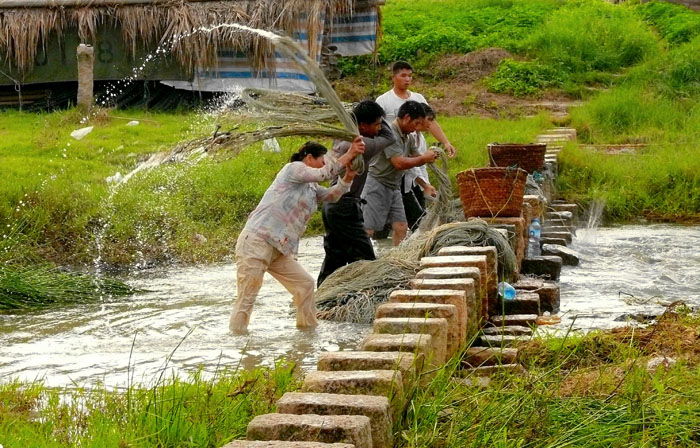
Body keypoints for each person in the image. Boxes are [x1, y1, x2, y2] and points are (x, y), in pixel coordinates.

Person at [230, 138, 365, 334]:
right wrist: (350, 154)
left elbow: (332, 195)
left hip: (279, 248)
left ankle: (307, 332)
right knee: (247, 297)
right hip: (257, 240)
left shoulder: (310, 187)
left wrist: (349, 176)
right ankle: (238, 340)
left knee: (305, 284)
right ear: (309, 158)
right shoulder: (293, 169)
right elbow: (322, 174)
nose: (324, 165)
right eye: (322, 161)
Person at [317, 100, 395, 286]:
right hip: (345, 206)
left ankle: (321, 298)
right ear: (362, 126)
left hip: (332, 206)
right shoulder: (363, 145)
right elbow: (389, 136)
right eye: (375, 123)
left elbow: (377, 129)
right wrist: (370, 106)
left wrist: (358, 112)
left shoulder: (341, 138)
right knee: (365, 257)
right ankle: (371, 297)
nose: (378, 128)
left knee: (335, 257)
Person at [362, 100, 439, 246]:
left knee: (401, 227)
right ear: (407, 118)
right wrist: (424, 158)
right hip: (376, 183)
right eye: (416, 123)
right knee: (368, 229)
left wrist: (428, 157)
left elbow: (415, 157)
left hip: (393, 186)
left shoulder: (407, 136)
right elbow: (398, 163)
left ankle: (396, 261)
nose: (417, 128)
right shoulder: (391, 134)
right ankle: (360, 262)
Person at [375, 60, 456, 157]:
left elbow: (431, 122)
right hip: (397, 152)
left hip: (418, 150)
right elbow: (377, 128)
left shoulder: (418, 98)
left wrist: (445, 142)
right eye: (403, 76)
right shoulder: (383, 100)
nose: (407, 79)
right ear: (393, 77)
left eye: (410, 76)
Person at [402, 103, 438, 231]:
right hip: (402, 182)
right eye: (429, 120)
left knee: (420, 220)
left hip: (412, 183)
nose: (430, 124)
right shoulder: (409, 136)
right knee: (419, 221)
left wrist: (426, 185)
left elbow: (421, 165)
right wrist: (425, 185)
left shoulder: (420, 138)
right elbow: (412, 164)